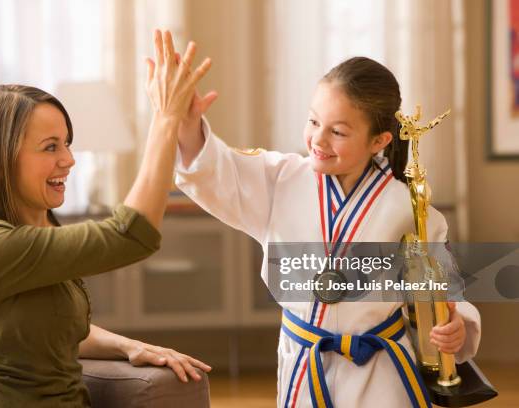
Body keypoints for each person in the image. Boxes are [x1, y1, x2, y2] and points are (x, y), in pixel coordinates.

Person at [170, 56, 481, 407]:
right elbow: (217, 173)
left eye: (338, 131)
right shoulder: (280, 180)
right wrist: (186, 123)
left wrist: (456, 323)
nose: (318, 139)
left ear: (379, 140)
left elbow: (445, 290)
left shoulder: (408, 207)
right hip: (304, 362)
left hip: (380, 375)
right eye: (313, 121)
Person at [0, 30, 212, 407]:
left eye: (67, 143)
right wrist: (165, 119)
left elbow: (57, 330)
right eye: (50, 147)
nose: (69, 159)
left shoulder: (35, 232)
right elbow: (130, 235)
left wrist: (130, 347)